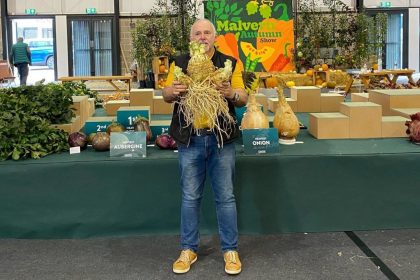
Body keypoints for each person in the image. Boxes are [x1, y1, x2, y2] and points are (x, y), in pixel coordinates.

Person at [162, 18, 247, 275]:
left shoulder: (229, 63)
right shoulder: (180, 62)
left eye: (206, 32)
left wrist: (229, 92)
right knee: (190, 197)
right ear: (191, 38)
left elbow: (243, 98)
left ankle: (230, 250)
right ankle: (188, 249)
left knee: (226, 197)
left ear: (214, 36)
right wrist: (174, 90)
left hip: (220, 139)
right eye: (197, 33)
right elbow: (165, 94)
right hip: (190, 139)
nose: (202, 37)